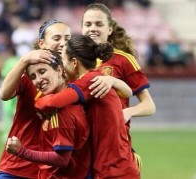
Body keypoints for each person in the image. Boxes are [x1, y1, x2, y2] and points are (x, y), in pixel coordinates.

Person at [35, 35, 139, 179]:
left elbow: (51, 102)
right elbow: (127, 92)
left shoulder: (88, 81)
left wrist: (37, 104)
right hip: (116, 165)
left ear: (74, 62)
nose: (62, 67)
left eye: (63, 60)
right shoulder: (97, 78)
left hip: (113, 169)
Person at [0, 19, 72, 179]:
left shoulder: (76, 78)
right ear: (41, 44)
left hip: (55, 170)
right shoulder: (31, 76)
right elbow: (4, 94)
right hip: (18, 166)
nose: (63, 43)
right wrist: (24, 60)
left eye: (67, 39)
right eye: (57, 38)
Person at [82, 3, 156, 152]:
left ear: (109, 29)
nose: (93, 28)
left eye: (99, 24)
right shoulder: (74, 61)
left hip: (114, 147)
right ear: (82, 28)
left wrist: (127, 112)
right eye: (88, 24)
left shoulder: (123, 59)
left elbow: (149, 105)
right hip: (82, 148)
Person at [6, 51, 90, 179]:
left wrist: (21, 151)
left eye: (42, 71)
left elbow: (62, 159)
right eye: (33, 76)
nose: (38, 80)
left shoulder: (62, 111)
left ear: (59, 70)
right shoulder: (54, 105)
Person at [0, 47, 19, 142]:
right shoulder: (19, 61)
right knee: (16, 112)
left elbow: (4, 74)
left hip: (9, 90)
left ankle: (7, 134)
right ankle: (17, 133)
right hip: (18, 90)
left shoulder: (8, 63)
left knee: (7, 113)